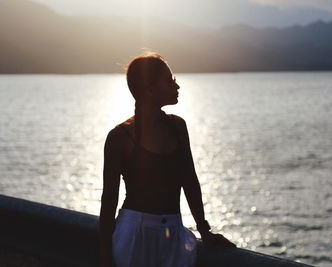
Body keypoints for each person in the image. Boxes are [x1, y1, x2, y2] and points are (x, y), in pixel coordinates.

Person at [99, 52, 235, 267]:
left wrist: (204, 230)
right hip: (134, 234)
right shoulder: (119, 137)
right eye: (170, 80)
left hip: (173, 233)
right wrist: (105, 256)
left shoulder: (178, 127)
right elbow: (109, 199)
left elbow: (189, 180)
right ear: (150, 90)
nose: (177, 86)